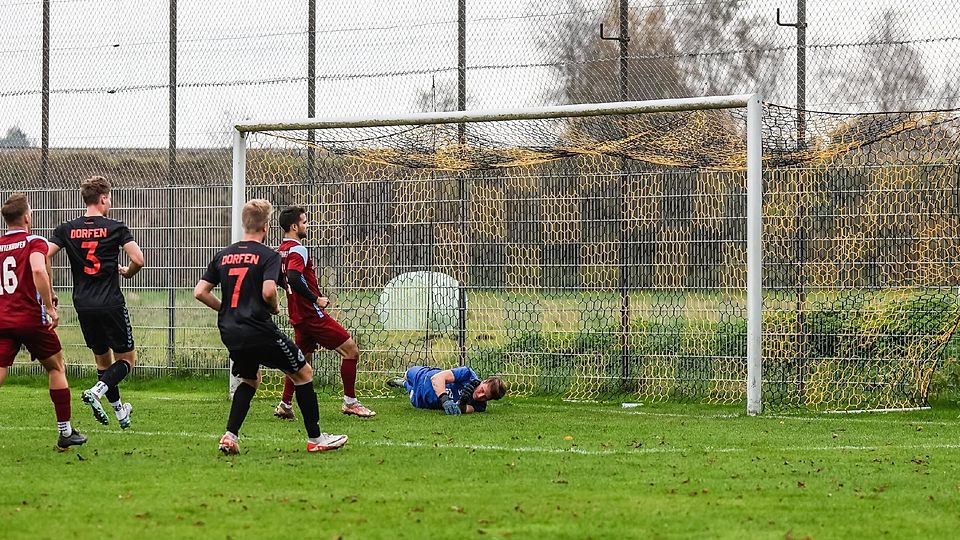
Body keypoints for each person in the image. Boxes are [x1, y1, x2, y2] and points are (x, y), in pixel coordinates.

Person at [194, 198, 347, 455]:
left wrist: (226, 310)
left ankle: (230, 436)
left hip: (230, 330)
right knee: (304, 373)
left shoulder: (224, 254)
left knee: (250, 379)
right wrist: (275, 307)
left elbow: (200, 292)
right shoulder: (268, 256)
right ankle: (316, 438)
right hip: (258, 328)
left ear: (245, 224)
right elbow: (268, 291)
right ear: (266, 226)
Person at [48, 176, 143, 429]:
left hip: (83, 303)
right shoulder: (116, 227)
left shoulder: (66, 229)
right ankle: (97, 391)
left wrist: (50, 288)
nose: (109, 202)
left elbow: (44, 255)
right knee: (126, 361)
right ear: (103, 198)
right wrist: (128, 272)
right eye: (109, 198)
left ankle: (121, 413)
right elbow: (139, 259)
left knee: (103, 362)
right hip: (110, 302)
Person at [0, 193, 87, 450]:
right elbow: (38, 269)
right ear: (27, 217)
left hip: (3, 319)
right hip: (30, 319)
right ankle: (65, 432)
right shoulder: (33, 241)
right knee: (56, 367)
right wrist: (49, 307)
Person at [272, 206, 375, 420]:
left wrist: (292, 294)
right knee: (351, 351)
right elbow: (292, 277)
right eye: (305, 222)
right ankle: (350, 402)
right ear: (294, 226)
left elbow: (281, 279)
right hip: (311, 315)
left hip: (298, 315)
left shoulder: (280, 250)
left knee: (300, 360)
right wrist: (315, 298)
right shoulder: (298, 249)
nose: (307, 225)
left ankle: (285, 404)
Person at [388, 365, 507, 415]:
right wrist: (445, 399)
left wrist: (462, 402)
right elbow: (437, 378)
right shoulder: (467, 374)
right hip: (424, 375)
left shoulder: (480, 406)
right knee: (407, 373)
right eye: (482, 390)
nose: (480, 396)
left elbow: (464, 410)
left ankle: (404, 384)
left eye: (486, 397)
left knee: (411, 393)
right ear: (484, 381)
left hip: (422, 400)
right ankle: (405, 380)